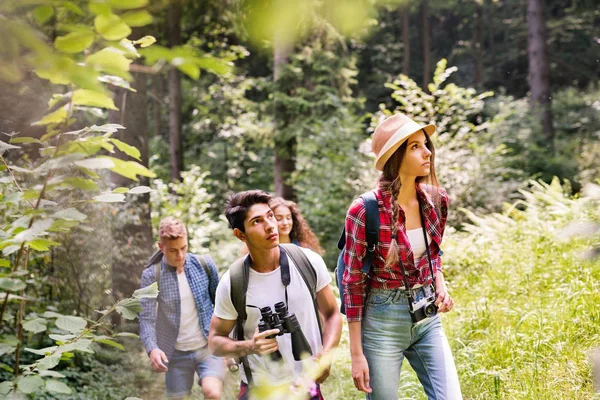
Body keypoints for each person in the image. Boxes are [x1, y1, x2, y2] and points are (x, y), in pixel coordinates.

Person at [343, 113, 462, 399]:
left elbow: (434, 253)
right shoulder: (363, 210)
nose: (427, 152)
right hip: (382, 320)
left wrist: (440, 283)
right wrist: (356, 354)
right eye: (415, 147)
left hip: (426, 315)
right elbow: (352, 284)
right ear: (396, 156)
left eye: (426, 144)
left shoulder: (436, 200)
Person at [208, 190, 342, 400]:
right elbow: (215, 342)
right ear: (240, 234)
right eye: (257, 221)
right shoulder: (232, 283)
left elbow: (333, 313)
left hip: (306, 385)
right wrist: (250, 346)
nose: (270, 225)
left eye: (270, 215)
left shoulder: (308, 261)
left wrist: (327, 355)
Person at [139, 217, 224, 399]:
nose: (180, 255)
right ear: (161, 247)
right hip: (175, 354)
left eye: (184, 248)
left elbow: (222, 305)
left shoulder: (204, 265)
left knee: (213, 393)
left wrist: (231, 341)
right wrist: (152, 348)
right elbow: (146, 318)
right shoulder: (151, 275)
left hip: (208, 347)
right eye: (173, 250)